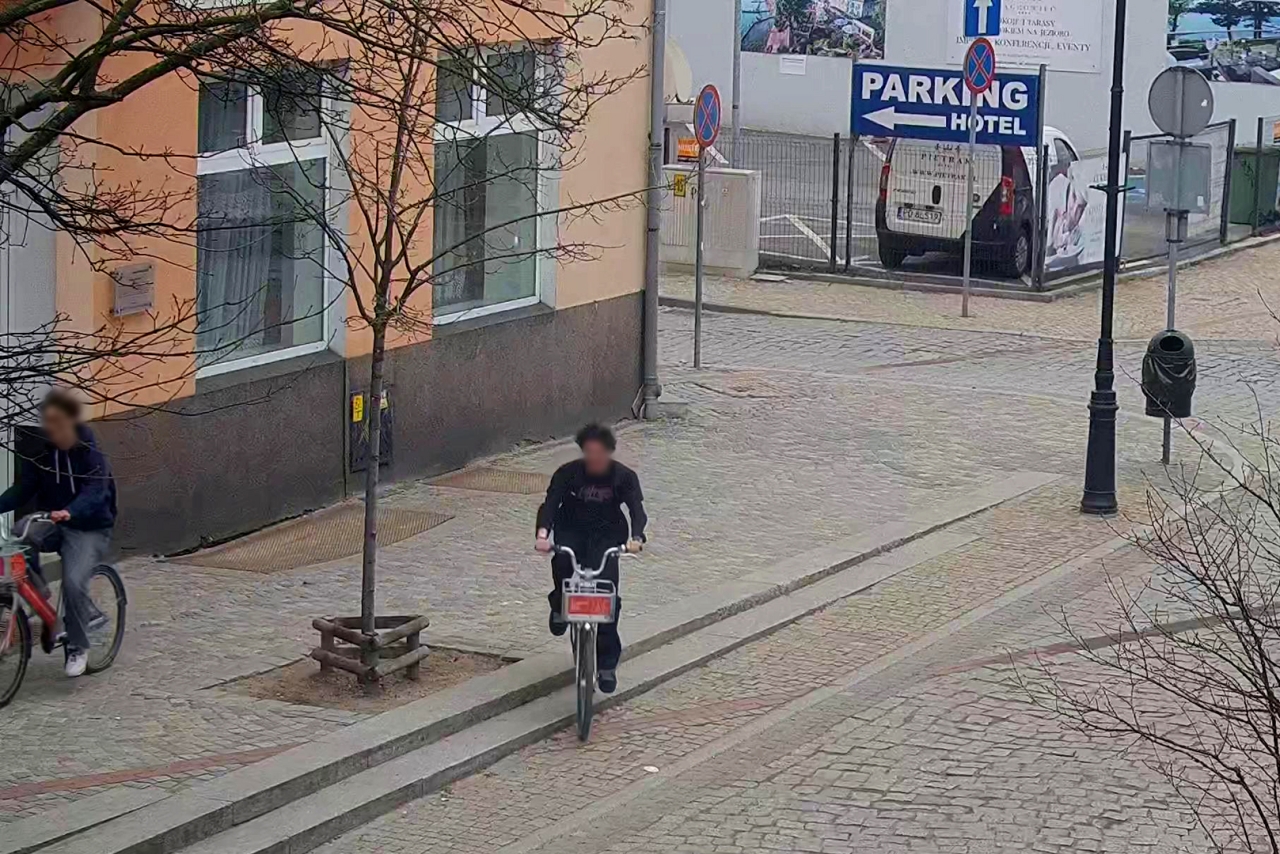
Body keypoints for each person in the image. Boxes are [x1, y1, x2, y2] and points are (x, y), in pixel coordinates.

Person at [0, 389, 117, 678]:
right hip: (52, 521)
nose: (51, 429)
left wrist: (71, 510)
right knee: (20, 533)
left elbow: (96, 490)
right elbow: (22, 490)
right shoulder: (42, 451)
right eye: (47, 423)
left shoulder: (89, 451)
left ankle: (78, 646)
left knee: (74, 582)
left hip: (87, 525)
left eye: (56, 422)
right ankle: (38, 592)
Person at [535, 423, 647, 694]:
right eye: (589, 452)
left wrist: (637, 537)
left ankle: (606, 663)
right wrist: (542, 534)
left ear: (609, 452)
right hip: (571, 529)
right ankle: (560, 606)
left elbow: (636, 510)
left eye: (599, 453)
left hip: (607, 536)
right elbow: (550, 504)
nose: (594, 459)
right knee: (562, 562)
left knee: (608, 596)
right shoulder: (568, 474)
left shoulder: (624, 477)